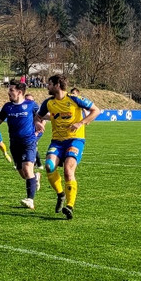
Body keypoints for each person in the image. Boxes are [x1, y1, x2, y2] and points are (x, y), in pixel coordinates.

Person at [37, 74, 101, 220]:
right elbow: (38, 116)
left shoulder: (74, 99)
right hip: (57, 142)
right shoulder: (48, 103)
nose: (47, 86)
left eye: (49, 84)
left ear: (57, 85)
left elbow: (96, 110)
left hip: (75, 140)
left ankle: (70, 206)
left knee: (68, 170)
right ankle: (61, 194)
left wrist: (81, 123)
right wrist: (38, 122)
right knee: (48, 166)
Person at [0, 80, 43, 209]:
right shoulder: (7, 107)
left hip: (29, 142)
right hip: (14, 143)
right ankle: (36, 177)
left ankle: (30, 199)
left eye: (11, 90)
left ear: (20, 92)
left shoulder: (31, 105)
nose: (8, 92)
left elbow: (41, 116)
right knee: (23, 173)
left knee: (28, 169)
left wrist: (39, 123)